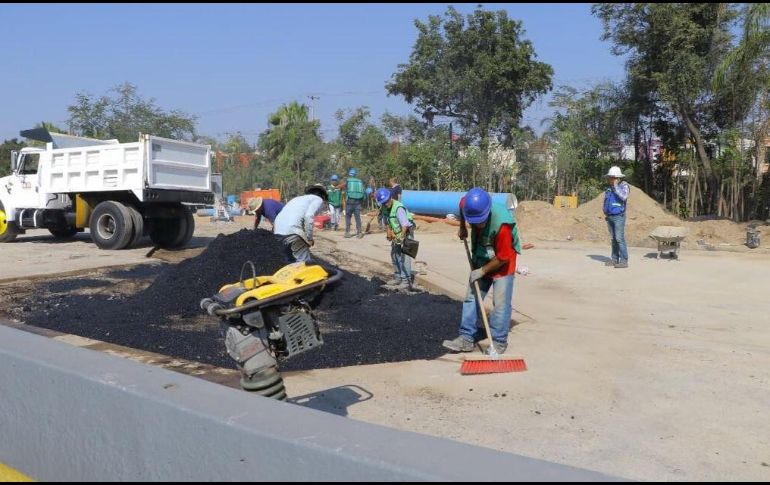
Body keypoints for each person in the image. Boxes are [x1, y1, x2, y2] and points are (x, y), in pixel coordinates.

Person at [442, 187, 521, 355]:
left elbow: (503, 257)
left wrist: (483, 271)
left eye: (480, 221)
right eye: (474, 221)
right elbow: (461, 206)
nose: (478, 224)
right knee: (471, 298)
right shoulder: (468, 204)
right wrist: (463, 226)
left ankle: (499, 341)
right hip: (481, 256)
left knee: (500, 304)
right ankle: (466, 338)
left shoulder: (502, 224)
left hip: (503, 264)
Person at [375, 187, 417, 290]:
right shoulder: (385, 207)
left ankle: (406, 281)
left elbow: (404, 225)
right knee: (394, 255)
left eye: (387, 201)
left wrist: (401, 238)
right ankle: (398, 277)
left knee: (404, 258)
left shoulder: (398, 208)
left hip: (406, 233)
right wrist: (389, 232)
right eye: (383, 203)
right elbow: (388, 221)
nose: (386, 204)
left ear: (390, 197)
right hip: (397, 234)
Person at [273, 184, 328, 264]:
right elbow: (309, 216)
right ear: (323, 195)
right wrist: (309, 238)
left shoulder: (297, 199)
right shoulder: (318, 199)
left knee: (289, 261)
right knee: (304, 263)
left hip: (278, 233)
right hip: (292, 232)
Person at [603, 166, 630, 269]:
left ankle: (624, 261)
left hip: (619, 216)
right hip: (610, 217)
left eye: (611, 177)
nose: (609, 179)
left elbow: (623, 197)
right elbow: (606, 201)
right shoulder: (609, 188)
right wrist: (605, 212)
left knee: (619, 239)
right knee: (613, 239)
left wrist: (615, 186)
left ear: (616, 178)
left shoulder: (624, 186)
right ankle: (614, 259)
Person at [342, 168, 365, 239]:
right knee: (358, 218)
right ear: (355, 174)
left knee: (348, 217)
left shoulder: (348, 180)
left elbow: (343, 186)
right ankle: (359, 233)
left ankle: (347, 232)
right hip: (358, 202)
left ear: (350, 174)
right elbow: (363, 193)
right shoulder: (360, 181)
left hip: (349, 201)